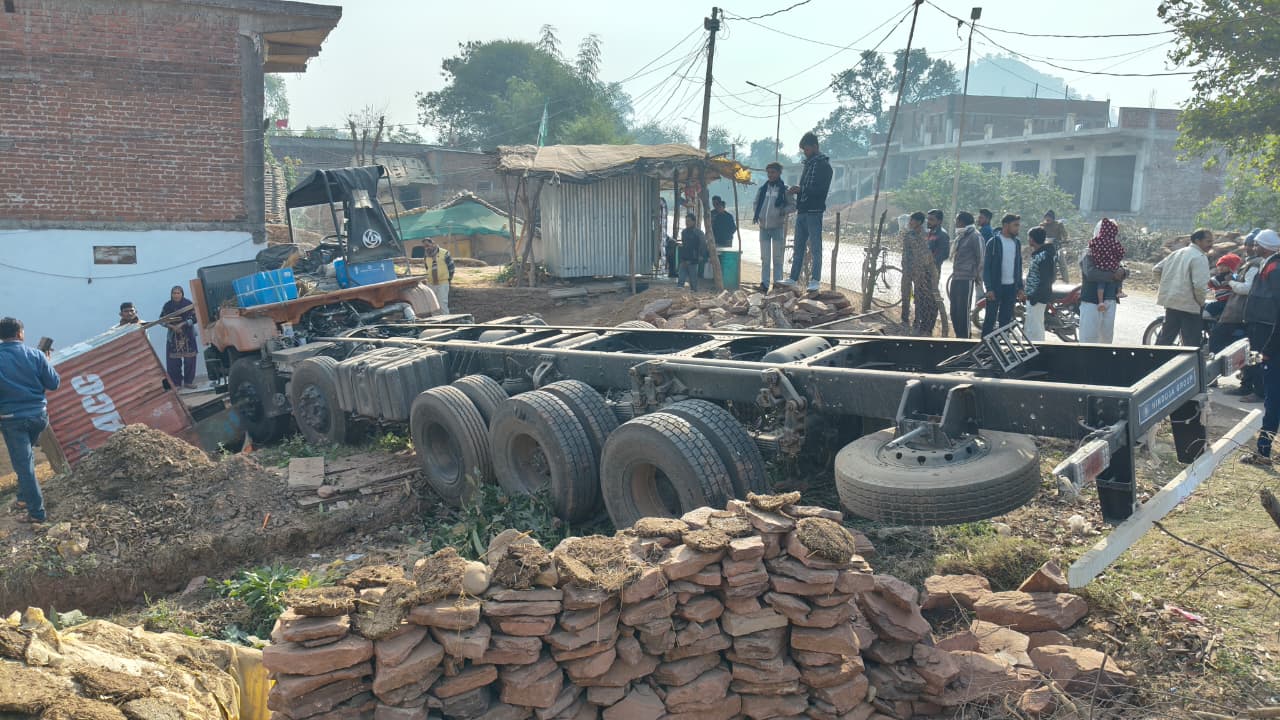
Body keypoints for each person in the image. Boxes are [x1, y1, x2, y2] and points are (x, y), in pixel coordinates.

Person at [0, 317, 59, 524]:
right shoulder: (36, 355)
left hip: (12, 419)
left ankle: (37, 513)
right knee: (26, 460)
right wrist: (47, 362)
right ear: (20, 334)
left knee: (23, 465)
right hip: (38, 417)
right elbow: (54, 384)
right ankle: (24, 498)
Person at [1244, 238, 1280, 466]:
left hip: (1275, 350)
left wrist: (1268, 348)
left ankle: (1264, 452)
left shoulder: (1274, 270)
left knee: (1274, 402)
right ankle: (1263, 451)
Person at [786, 131, 833, 292]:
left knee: (815, 248)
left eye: (806, 149)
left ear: (815, 147)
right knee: (798, 248)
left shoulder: (825, 166)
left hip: (815, 211)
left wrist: (801, 189)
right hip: (803, 211)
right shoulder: (808, 165)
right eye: (803, 150)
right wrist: (799, 191)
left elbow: (820, 190)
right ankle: (793, 278)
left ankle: (815, 280)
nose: (805, 152)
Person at [1238, 229, 1280, 402]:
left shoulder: (1274, 266)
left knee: (1262, 356)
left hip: (1265, 320)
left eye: (1256, 244)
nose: (1254, 247)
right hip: (1259, 318)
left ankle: (1260, 391)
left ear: (1265, 247)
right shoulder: (1266, 262)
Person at [1153, 228, 1213, 346]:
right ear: (1197, 241)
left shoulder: (1177, 253)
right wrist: (1201, 302)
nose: (1211, 245)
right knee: (1190, 344)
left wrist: (1168, 287)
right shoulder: (1199, 257)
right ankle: (1189, 364)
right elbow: (1200, 286)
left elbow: (1156, 270)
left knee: (1165, 338)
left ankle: (1154, 361)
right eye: (1208, 241)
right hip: (1189, 305)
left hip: (1172, 302)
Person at [752, 162, 795, 292]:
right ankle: (764, 285)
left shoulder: (785, 190)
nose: (770, 175)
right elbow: (756, 203)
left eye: (773, 172)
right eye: (768, 173)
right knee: (765, 259)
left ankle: (778, 285)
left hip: (777, 228)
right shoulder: (763, 189)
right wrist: (758, 214)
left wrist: (781, 212)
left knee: (777, 259)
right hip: (763, 228)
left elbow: (793, 206)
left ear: (779, 173)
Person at [981, 214, 1025, 336]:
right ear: (1006, 225)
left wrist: (1020, 287)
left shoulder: (1017, 243)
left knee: (1005, 322)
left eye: (1018, 225)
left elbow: (1018, 266)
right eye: (1015, 225)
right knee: (990, 320)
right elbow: (987, 268)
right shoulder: (993, 242)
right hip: (995, 288)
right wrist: (989, 288)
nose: (1017, 228)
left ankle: (1001, 350)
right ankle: (984, 350)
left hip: (1011, 288)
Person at [900, 212, 942, 336]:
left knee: (919, 297)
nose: (909, 223)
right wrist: (905, 267)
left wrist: (923, 270)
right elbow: (905, 253)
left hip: (921, 272)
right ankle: (904, 319)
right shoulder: (908, 235)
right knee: (905, 293)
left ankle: (917, 321)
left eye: (912, 221)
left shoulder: (927, 235)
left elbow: (929, 255)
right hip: (908, 270)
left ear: (919, 222)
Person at [949, 211, 984, 339]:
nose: (956, 223)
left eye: (957, 221)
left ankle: (964, 339)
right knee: (954, 311)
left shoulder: (975, 236)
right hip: (956, 276)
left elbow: (980, 257)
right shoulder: (961, 236)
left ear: (962, 222)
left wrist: (977, 275)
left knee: (963, 312)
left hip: (967, 278)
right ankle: (959, 336)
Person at [161, 286, 198, 389]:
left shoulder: (188, 304)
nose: (176, 295)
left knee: (190, 360)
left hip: (188, 335)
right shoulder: (167, 306)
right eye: (174, 293)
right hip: (173, 337)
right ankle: (176, 383)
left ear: (182, 294)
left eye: (178, 293)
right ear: (171, 294)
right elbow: (162, 320)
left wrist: (182, 324)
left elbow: (195, 318)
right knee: (173, 363)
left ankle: (188, 382)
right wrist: (172, 327)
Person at [1023, 227, 1056, 342]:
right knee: (1032, 325)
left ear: (1032, 239)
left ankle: (1037, 349)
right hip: (1034, 296)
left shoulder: (1044, 256)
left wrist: (1034, 297)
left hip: (1037, 297)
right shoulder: (1041, 254)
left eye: (1029, 237)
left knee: (1035, 327)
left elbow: (1046, 280)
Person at [1087, 218, 1126, 311]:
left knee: (1101, 285)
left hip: (1111, 299)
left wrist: (1123, 272)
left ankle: (1115, 293)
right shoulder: (1087, 254)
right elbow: (1090, 274)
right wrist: (1114, 275)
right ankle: (1119, 291)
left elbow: (1125, 270)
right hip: (1091, 301)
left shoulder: (1095, 243)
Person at [421, 238, 456, 314]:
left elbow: (451, 268)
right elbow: (427, 268)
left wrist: (448, 280)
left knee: (442, 304)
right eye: (425, 247)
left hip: (443, 283)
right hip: (431, 284)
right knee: (433, 306)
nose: (427, 248)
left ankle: (447, 323)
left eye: (427, 245)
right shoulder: (426, 256)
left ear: (433, 244)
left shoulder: (445, 253)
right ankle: (436, 324)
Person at [1205, 253, 1242, 319]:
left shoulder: (1235, 278)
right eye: (1219, 265)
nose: (1221, 267)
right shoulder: (1213, 279)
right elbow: (1209, 293)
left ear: (1231, 267)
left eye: (1224, 265)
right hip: (1215, 302)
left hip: (1229, 303)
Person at [677, 212, 707, 292]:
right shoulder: (684, 232)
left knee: (693, 279)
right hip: (684, 258)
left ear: (694, 222)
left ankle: (694, 292)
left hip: (693, 258)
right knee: (681, 277)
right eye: (686, 221)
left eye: (689, 221)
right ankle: (679, 292)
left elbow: (703, 245)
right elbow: (684, 244)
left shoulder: (699, 233)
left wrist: (701, 255)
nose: (687, 222)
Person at [1041, 210, 1070, 281]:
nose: (1047, 219)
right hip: (1046, 247)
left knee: (1062, 263)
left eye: (1049, 217)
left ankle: (1066, 281)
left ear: (1053, 218)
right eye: (1046, 217)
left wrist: (1066, 239)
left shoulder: (1058, 224)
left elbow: (1065, 234)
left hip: (1057, 246)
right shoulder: (1042, 225)